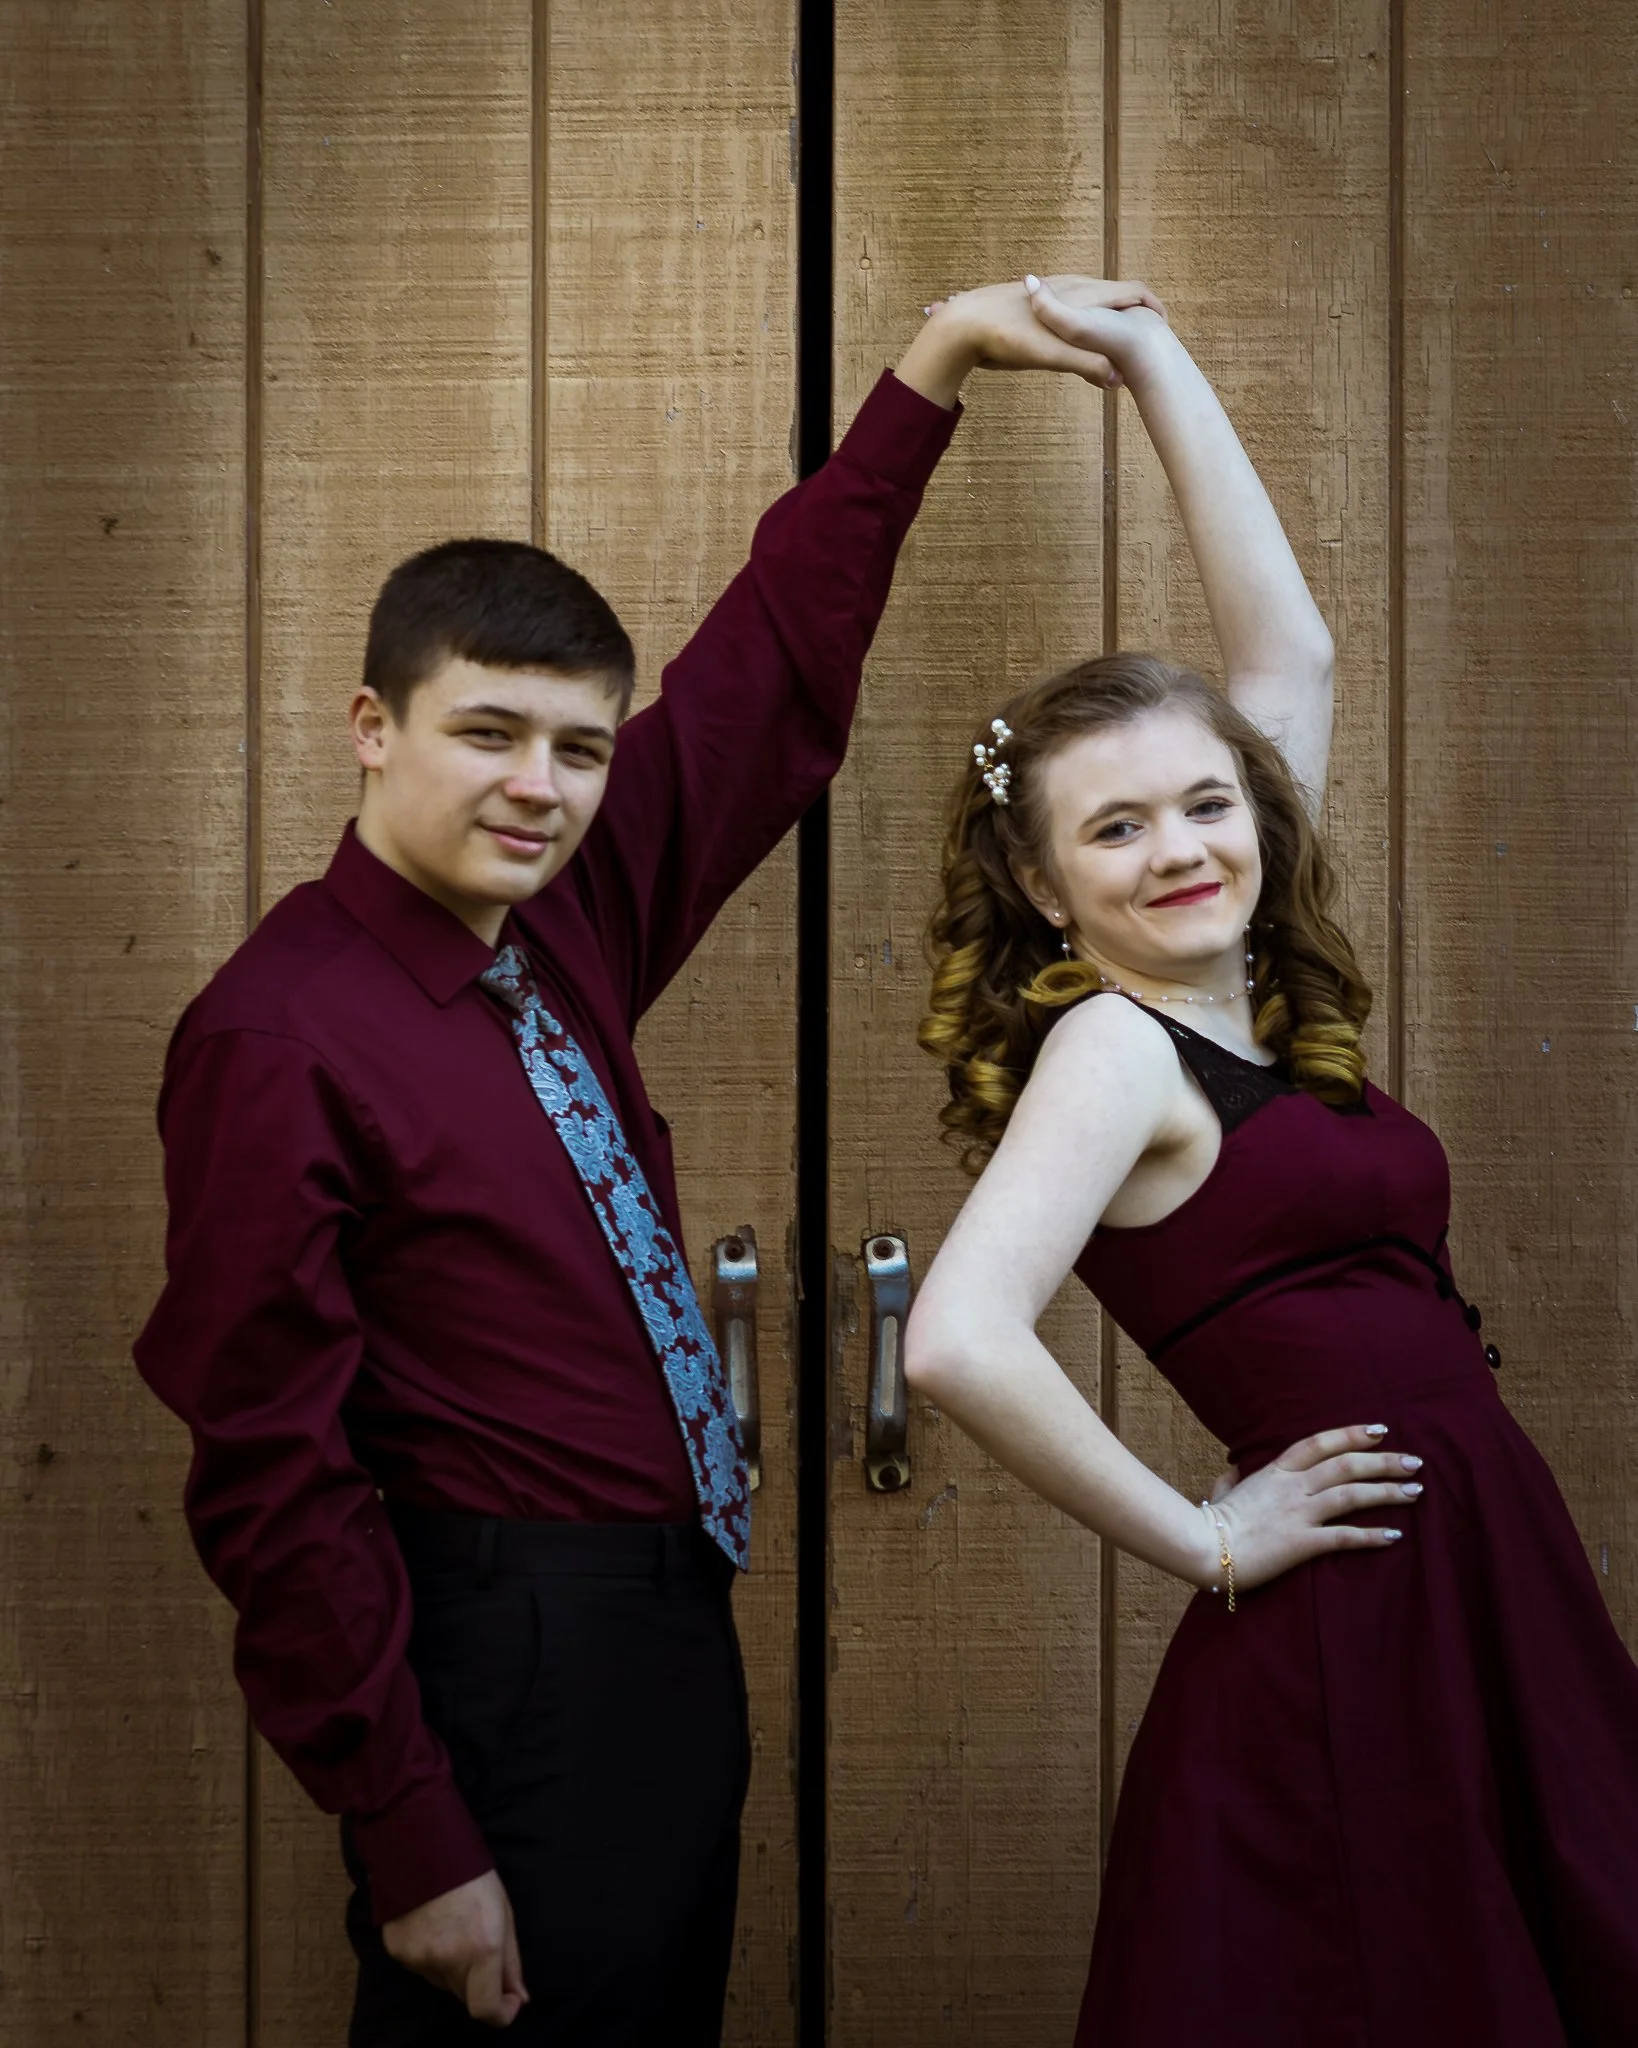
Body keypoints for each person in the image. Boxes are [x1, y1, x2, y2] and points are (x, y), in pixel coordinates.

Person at [133, 274, 1164, 2045]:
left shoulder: (564, 920)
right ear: (373, 728)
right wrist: (410, 1831)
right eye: (486, 733)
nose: (538, 785)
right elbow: (268, 1477)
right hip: (497, 1658)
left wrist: (931, 365)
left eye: (579, 747)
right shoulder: (277, 1034)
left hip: (656, 1628)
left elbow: (765, 677)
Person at [906, 278, 1638, 2044]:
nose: (1178, 849)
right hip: (1352, 1631)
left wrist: (1150, 355)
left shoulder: (1243, 993)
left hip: (1477, 1581)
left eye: (1206, 802)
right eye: (1115, 827)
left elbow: (1287, 659)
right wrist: (1205, 1540)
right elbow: (953, 1339)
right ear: (1040, 882)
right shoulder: (1107, 1044)